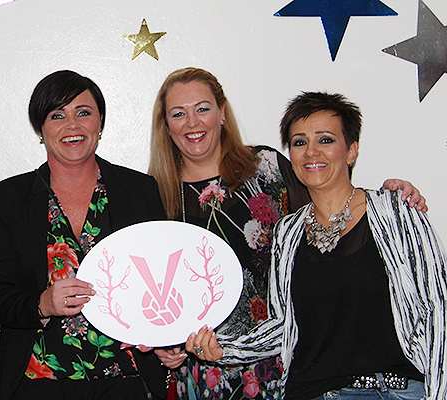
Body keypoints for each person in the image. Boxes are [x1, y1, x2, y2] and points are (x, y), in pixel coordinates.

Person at [148, 68, 428, 400]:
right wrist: (165, 341)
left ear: (222, 113)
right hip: (205, 363)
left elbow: (330, 200)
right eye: (178, 113)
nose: (192, 122)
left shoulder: (266, 166)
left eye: (202, 108)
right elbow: (156, 291)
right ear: (166, 125)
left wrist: (390, 200)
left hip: (286, 361)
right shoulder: (153, 194)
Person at [0, 70, 168, 400]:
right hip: (38, 382)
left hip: (126, 379)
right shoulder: (9, 197)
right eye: (57, 115)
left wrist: (167, 337)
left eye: (83, 112)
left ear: (100, 122)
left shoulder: (139, 190)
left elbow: (163, 283)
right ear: (40, 128)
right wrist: (41, 304)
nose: (72, 126)